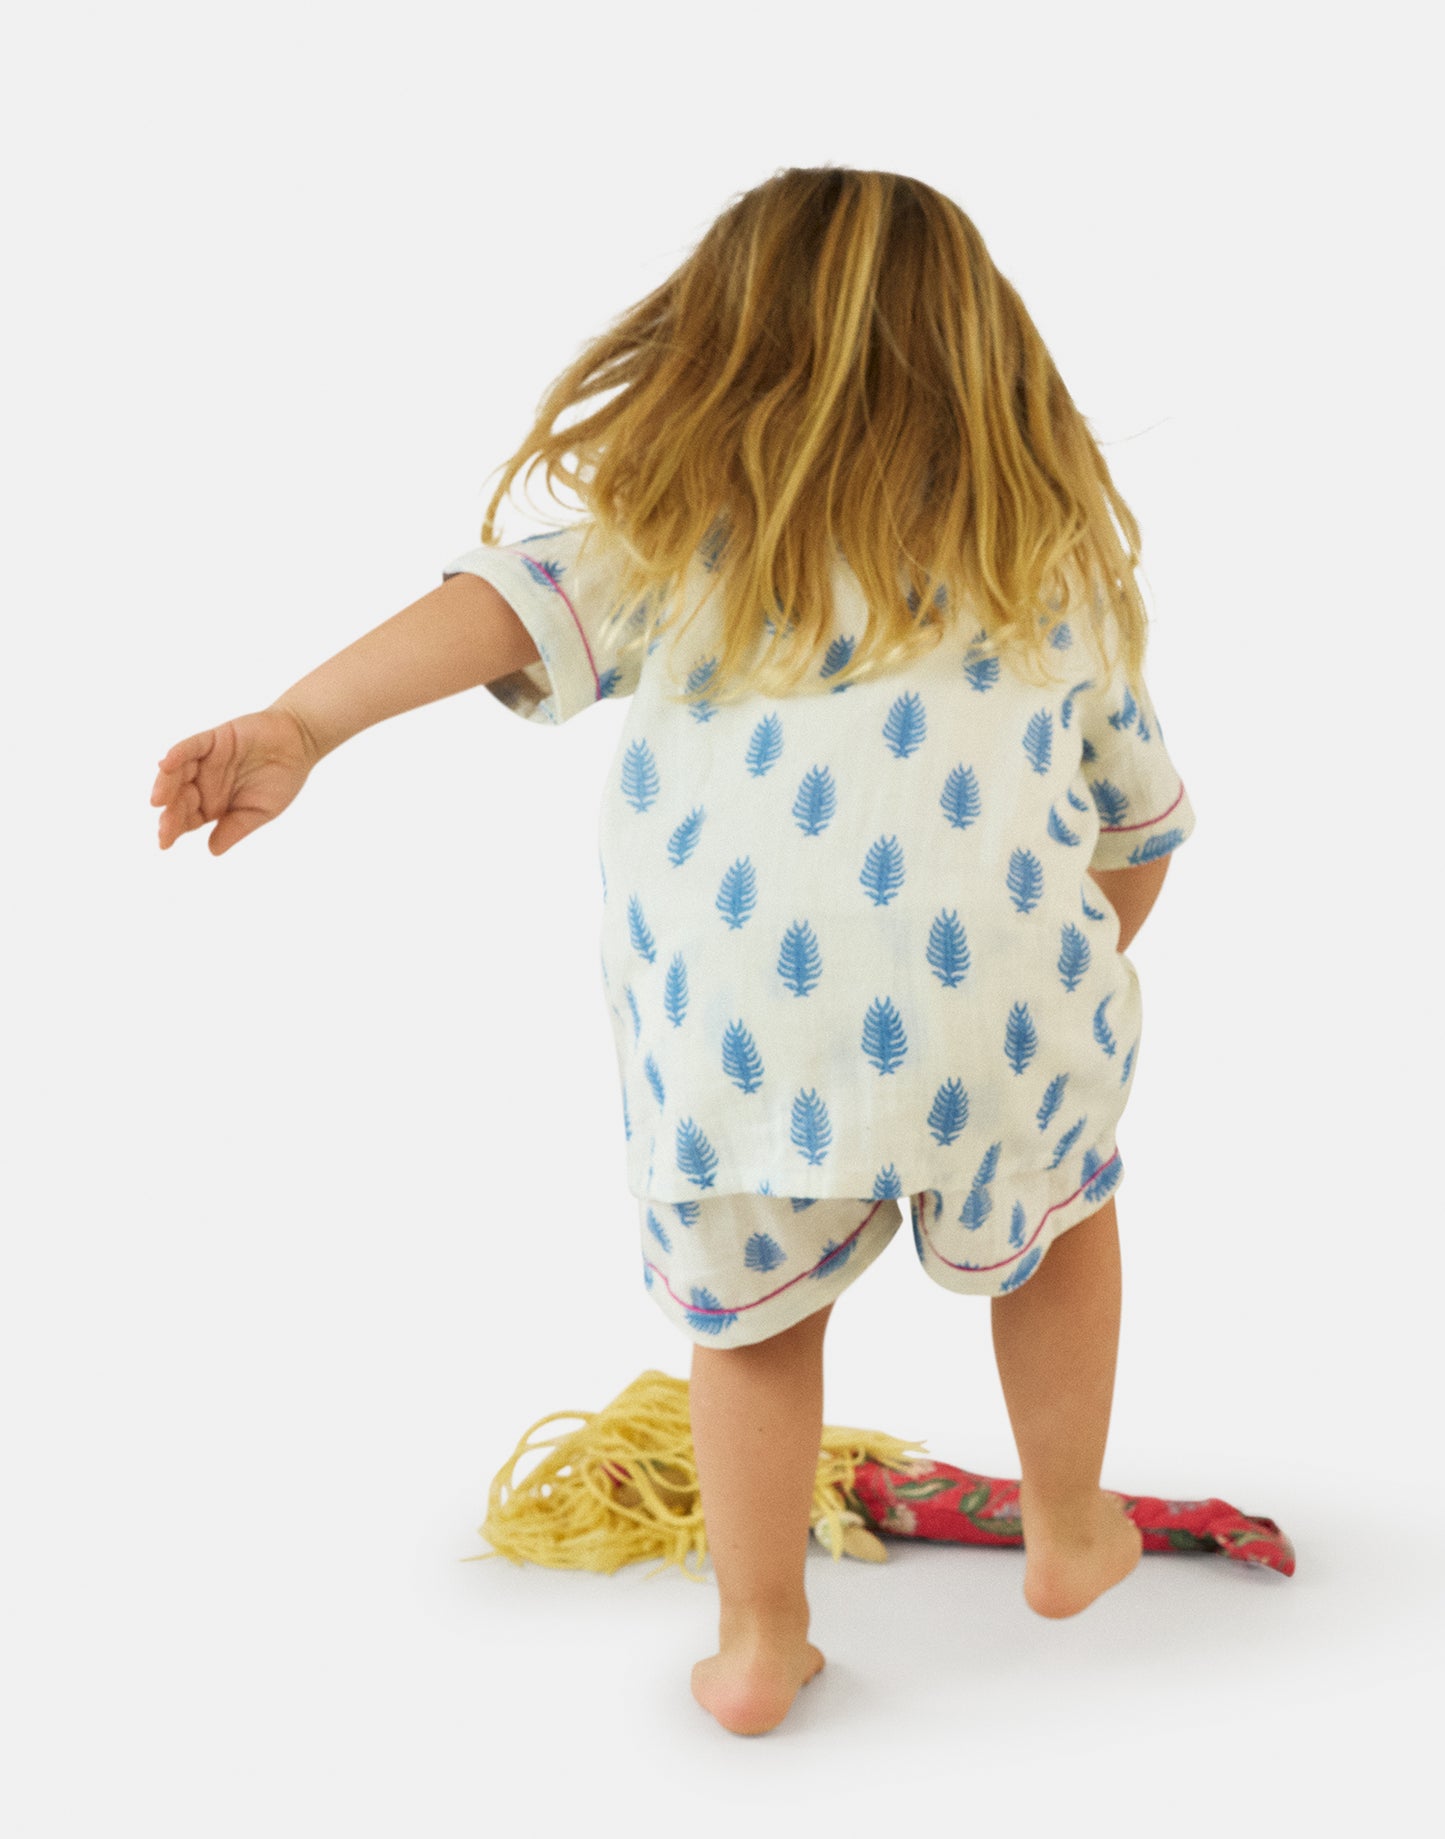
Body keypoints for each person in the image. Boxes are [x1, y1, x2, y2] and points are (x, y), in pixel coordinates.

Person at [150, 167, 1196, 1738]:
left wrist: (302, 724)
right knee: (1058, 1225)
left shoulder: (680, 543)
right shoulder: (1046, 566)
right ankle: (1066, 1533)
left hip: (738, 1043)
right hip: (1004, 1020)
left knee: (750, 1332)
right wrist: (1063, 977)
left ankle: (759, 1645)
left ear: (714, 354)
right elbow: (1138, 829)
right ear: (989, 361)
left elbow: (499, 610)